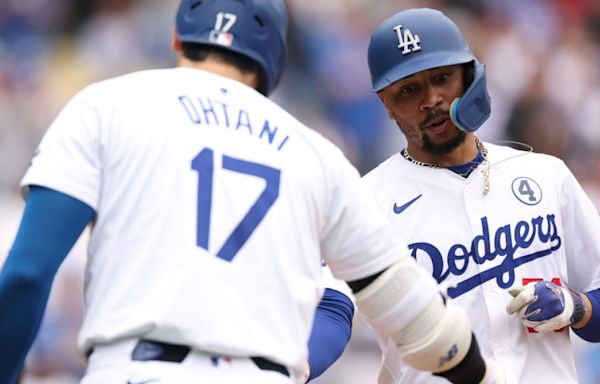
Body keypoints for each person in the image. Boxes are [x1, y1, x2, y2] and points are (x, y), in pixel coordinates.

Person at [0, 1, 497, 383]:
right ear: (274, 64)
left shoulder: (106, 104)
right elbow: (423, 324)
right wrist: (484, 375)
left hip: (135, 368)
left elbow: (25, 274)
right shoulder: (316, 153)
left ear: (178, 38)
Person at [362, 7, 600, 384]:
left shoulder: (545, 174)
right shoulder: (366, 203)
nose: (432, 99)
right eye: (409, 89)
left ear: (469, 75)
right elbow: (328, 310)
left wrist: (577, 306)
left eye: (442, 77)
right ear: (386, 103)